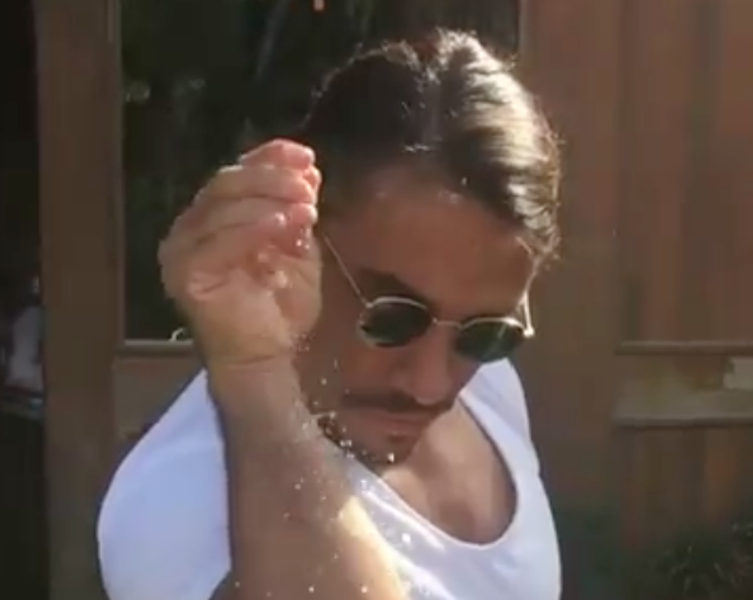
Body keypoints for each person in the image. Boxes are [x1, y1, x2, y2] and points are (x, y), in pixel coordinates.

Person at [97, 29, 562, 600]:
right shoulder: (177, 500)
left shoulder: (490, 386)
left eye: (488, 333)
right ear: (295, 239)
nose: (431, 385)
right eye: (394, 316)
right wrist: (254, 378)